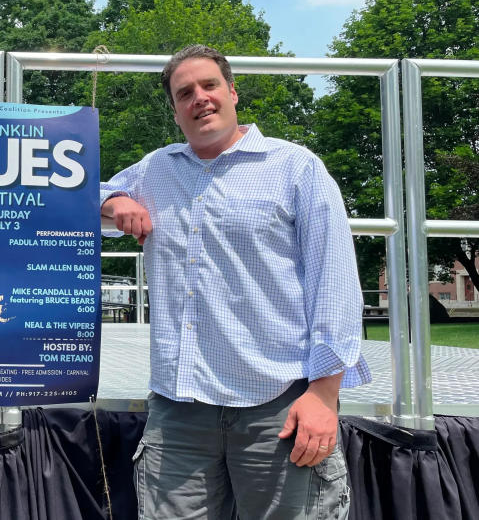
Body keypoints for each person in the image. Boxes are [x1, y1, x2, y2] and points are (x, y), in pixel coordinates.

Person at [101, 45, 370, 519]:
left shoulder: (296, 168)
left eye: (209, 86)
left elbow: (335, 284)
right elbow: (85, 196)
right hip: (178, 410)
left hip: (279, 407)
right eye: (185, 93)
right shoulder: (156, 169)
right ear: (175, 109)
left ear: (232, 93)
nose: (199, 98)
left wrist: (325, 394)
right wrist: (115, 202)